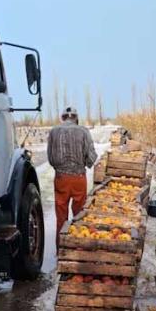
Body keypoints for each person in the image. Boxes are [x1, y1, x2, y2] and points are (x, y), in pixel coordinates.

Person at [47, 106, 97, 248]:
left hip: (61, 179)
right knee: (79, 215)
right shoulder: (83, 131)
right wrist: (83, 164)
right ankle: (76, 249)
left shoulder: (53, 132)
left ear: (63, 118)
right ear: (76, 118)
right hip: (78, 178)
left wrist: (61, 168)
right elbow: (91, 157)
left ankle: (61, 250)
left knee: (61, 217)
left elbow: (50, 158)